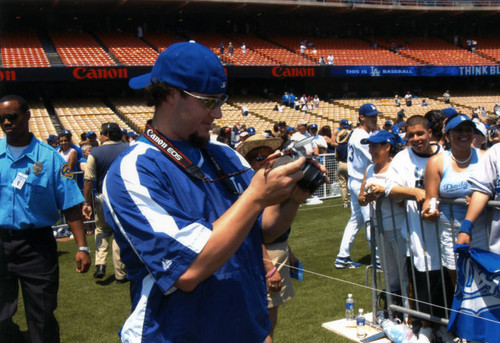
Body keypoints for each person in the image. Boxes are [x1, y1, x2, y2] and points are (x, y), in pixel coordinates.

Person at [102, 41, 319, 342]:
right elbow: (187, 271)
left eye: (221, 100)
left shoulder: (225, 154)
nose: (217, 113)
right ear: (169, 95)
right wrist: (255, 196)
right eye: (208, 102)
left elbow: (263, 231)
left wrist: (292, 199)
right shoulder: (134, 170)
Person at [0, 95, 90, 343]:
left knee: (41, 315)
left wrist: (82, 246)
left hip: (36, 247)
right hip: (0, 243)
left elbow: (71, 205)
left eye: (12, 116)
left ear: (28, 116)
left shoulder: (50, 159)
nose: (7, 122)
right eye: (2, 118)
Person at [385, 115, 449, 334]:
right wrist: (415, 191)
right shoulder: (403, 158)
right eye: (411, 135)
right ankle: (425, 327)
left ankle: (448, 327)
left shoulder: (445, 155)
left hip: (447, 229)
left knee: (449, 280)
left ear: (430, 132)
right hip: (419, 234)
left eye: (420, 133)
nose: (416, 138)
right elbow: (390, 189)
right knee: (423, 282)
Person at [236, 134, 293, 343]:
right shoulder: (248, 189)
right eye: (259, 158)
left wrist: (290, 252)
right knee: (264, 326)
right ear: (250, 163)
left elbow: (277, 225)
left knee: (269, 322)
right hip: (264, 257)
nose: (266, 161)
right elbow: (249, 230)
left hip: (276, 252)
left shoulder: (270, 186)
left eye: (269, 157)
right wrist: (269, 267)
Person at [422, 115, 487, 284]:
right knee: (460, 282)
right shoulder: (437, 162)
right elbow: (430, 198)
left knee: (486, 279)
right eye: (458, 130)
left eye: (468, 129)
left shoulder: (485, 158)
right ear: (448, 135)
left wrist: (483, 197)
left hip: (482, 229)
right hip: (450, 232)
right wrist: (428, 211)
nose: (464, 134)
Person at [358, 130, 407, 305]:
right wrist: (368, 197)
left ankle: (409, 309)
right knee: (389, 270)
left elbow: (404, 199)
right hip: (379, 227)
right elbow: (361, 199)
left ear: (387, 147)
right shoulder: (370, 168)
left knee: (403, 270)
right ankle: (393, 306)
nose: (371, 150)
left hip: (398, 226)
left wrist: (385, 192)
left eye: (374, 146)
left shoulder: (397, 168)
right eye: (370, 146)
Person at [335, 103, 379, 268]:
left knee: (356, 220)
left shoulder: (359, 133)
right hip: (362, 182)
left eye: (375, 116)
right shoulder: (361, 135)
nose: (375, 119)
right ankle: (378, 260)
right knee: (371, 221)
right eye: (371, 116)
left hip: (357, 180)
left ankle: (342, 256)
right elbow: (375, 157)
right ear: (362, 117)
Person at [82, 122, 128, 282]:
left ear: (106, 135)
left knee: (101, 230)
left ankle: (100, 264)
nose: (99, 135)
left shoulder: (96, 152)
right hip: (122, 198)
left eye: (101, 133)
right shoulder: (128, 149)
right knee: (118, 233)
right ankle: (120, 273)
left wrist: (86, 203)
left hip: (102, 197)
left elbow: (88, 180)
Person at [335, 128, 351, 208]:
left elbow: (336, 157)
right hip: (349, 164)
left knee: (343, 185)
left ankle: (345, 202)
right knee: (351, 183)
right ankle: (353, 200)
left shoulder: (338, 147)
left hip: (341, 164)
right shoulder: (350, 145)